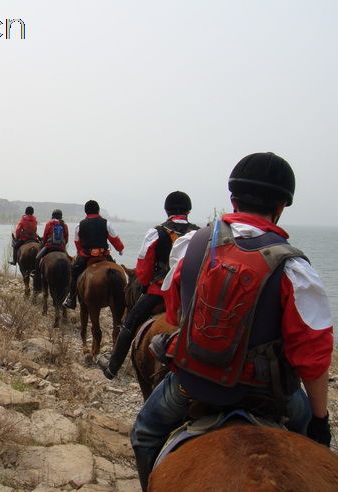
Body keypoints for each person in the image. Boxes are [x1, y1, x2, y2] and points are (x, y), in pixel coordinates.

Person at [130, 152, 333, 491]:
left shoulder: (192, 245)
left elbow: (175, 309)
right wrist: (320, 421)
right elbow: (312, 357)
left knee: (144, 434)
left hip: (191, 385)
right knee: (315, 445)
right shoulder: (296, 268)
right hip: (269, 394)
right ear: (281, 205)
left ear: (233, 198)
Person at [97, 191, 199, 379]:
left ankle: (112, 367)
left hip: (159, 291)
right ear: (188, 211)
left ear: (167, 210)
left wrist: (145, 285)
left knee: (128, 325)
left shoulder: (156, 232)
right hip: (192, 294)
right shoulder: (200, 233)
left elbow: (143, 269)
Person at [63, 200, 125, 309]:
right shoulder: (106, 223)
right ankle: (124, 299)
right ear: (98, 210)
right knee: (116, 271)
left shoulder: (79, 225)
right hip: (104, 255)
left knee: (74, 274)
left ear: (85, 212)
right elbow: (115, 239)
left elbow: (77, 242)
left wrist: (80, 252)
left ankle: (71, 298)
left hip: (86, 256)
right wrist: (120, 249)